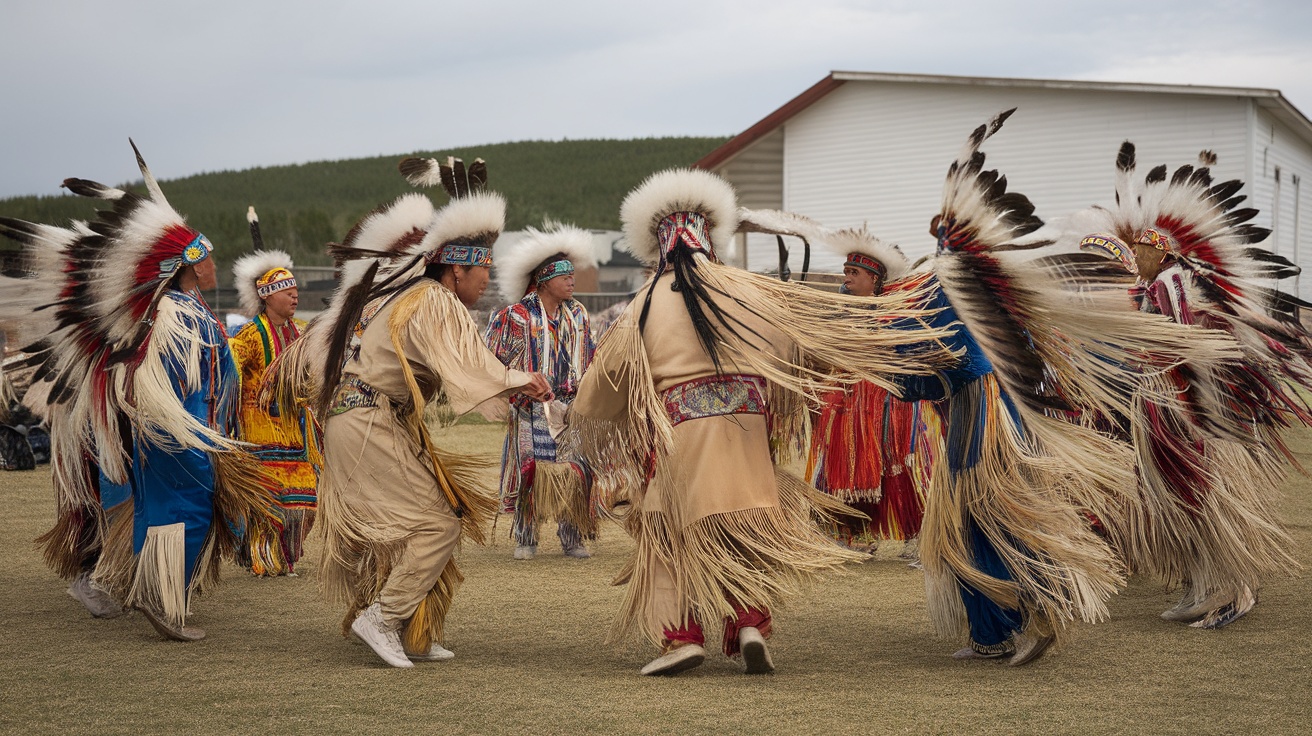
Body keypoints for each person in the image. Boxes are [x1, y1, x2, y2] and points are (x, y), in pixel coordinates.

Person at [565, 168, 956, 676]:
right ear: (709, 235)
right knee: (742, 527)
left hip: (680, 435)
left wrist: (580, 412)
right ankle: (748, 622)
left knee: (666, 533)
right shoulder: (748, 290)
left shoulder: (644, 303)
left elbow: (607, 381)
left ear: (659, 241)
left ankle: (680, 637)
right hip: (747, 432)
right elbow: (793, 347)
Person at [30, 143, 280, 641]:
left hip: (178, 430)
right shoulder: (173, 315)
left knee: (161, 512)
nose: (213, 264)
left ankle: (154, 591)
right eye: (205, 257)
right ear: (187, 263)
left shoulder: (178, 310)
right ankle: (163, 602)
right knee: (186, 510)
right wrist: (181, 426)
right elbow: (158, 378)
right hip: (180, 431)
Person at [309, 156, 551, 668]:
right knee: (438, 523)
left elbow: (462, 362)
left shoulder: (424, 298)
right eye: (482, 268)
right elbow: (467, 365)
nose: (487, 278)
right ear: (455, 268)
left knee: (437, 517)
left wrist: (513, 381)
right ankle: (384, 619)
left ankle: (417, 630)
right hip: (366, 419)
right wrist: (518, 380)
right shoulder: (433, 300)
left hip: (369, 418)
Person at [1070, 143, 1310, 629]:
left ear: (1160, 253)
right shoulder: (1155, 287)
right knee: (1177, 502)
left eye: (1142, 252)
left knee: (1191, 498)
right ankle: (1202, 584)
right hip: (1162, 405)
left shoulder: (1169, 285)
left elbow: (1176, 343)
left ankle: (1224, 587)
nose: (1136, 259)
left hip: (1176, 408)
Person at [804, 228, 929, 560]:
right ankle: (851, 535)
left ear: (875, 281)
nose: (847, 278)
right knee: (844, 466)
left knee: (895, 467)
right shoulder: (837, 312)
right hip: (846, 401)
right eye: (846, 271)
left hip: (886, 403)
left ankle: (915, 535)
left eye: (854, 273)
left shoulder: (893, 314)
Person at [485, 222, 597, 560]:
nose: (571, 281)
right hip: (530, 409)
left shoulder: (578, 314)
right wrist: (519, 382)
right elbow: (492, 361)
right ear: (545, 280)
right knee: (531, 469)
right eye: (564, 277)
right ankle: (526, 536)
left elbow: (589, 356)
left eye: (572, 276)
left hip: (571, 407)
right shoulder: (516, 316)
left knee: (575, 471)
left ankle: (572, 535)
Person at [229, 209, 318, 576]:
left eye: (296, 290)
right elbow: (229, 372)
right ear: (267, 296)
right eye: (287, 291)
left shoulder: (303, 332)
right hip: (259, 429)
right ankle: (262, 556)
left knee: (304, 499)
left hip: (297, 429)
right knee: (268, 499)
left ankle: (288, 554)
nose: (295, 295)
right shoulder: (250, 335)